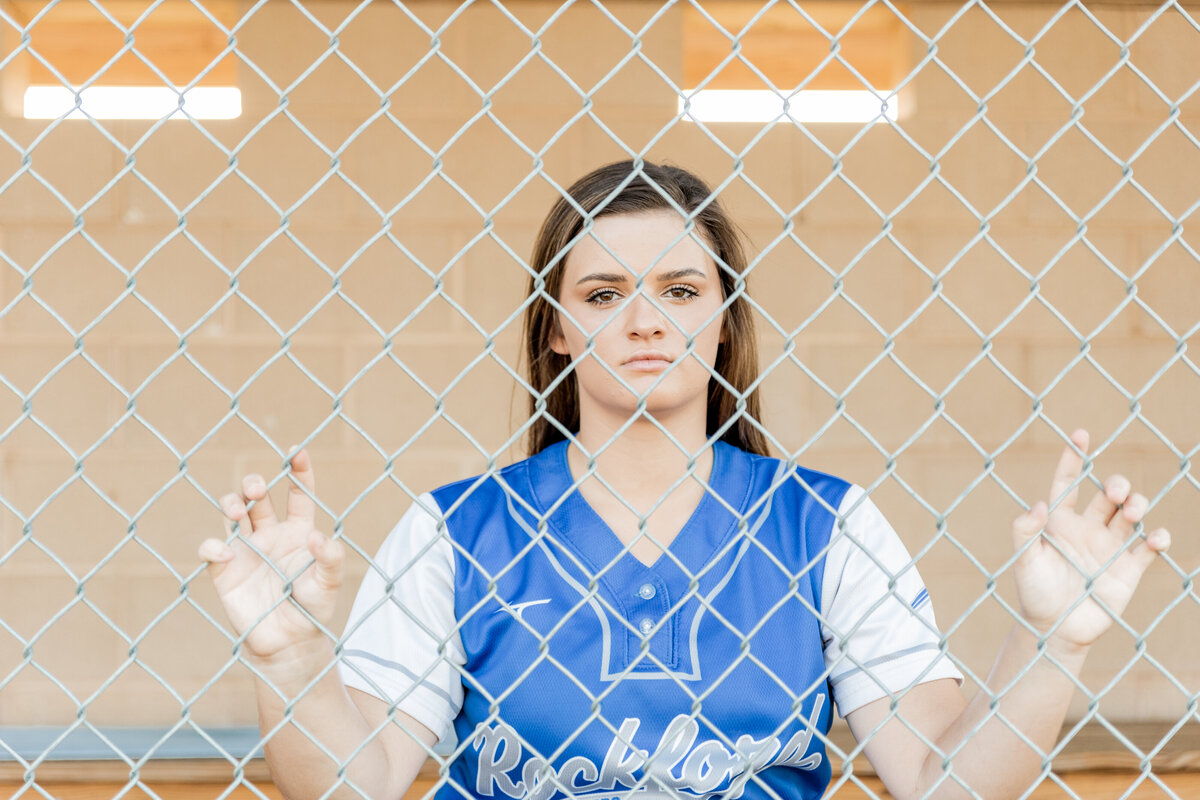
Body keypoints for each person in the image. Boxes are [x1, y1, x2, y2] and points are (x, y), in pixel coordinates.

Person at [199, 161, 1171, 800]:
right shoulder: (458, 531)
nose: (646, 321)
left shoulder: (822, 524)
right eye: (603, 293)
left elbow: (936, 777)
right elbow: (355, 782)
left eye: (679, 290)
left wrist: (1052, 641)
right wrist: (288, 662)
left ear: (723, 321)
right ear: (553, 326)